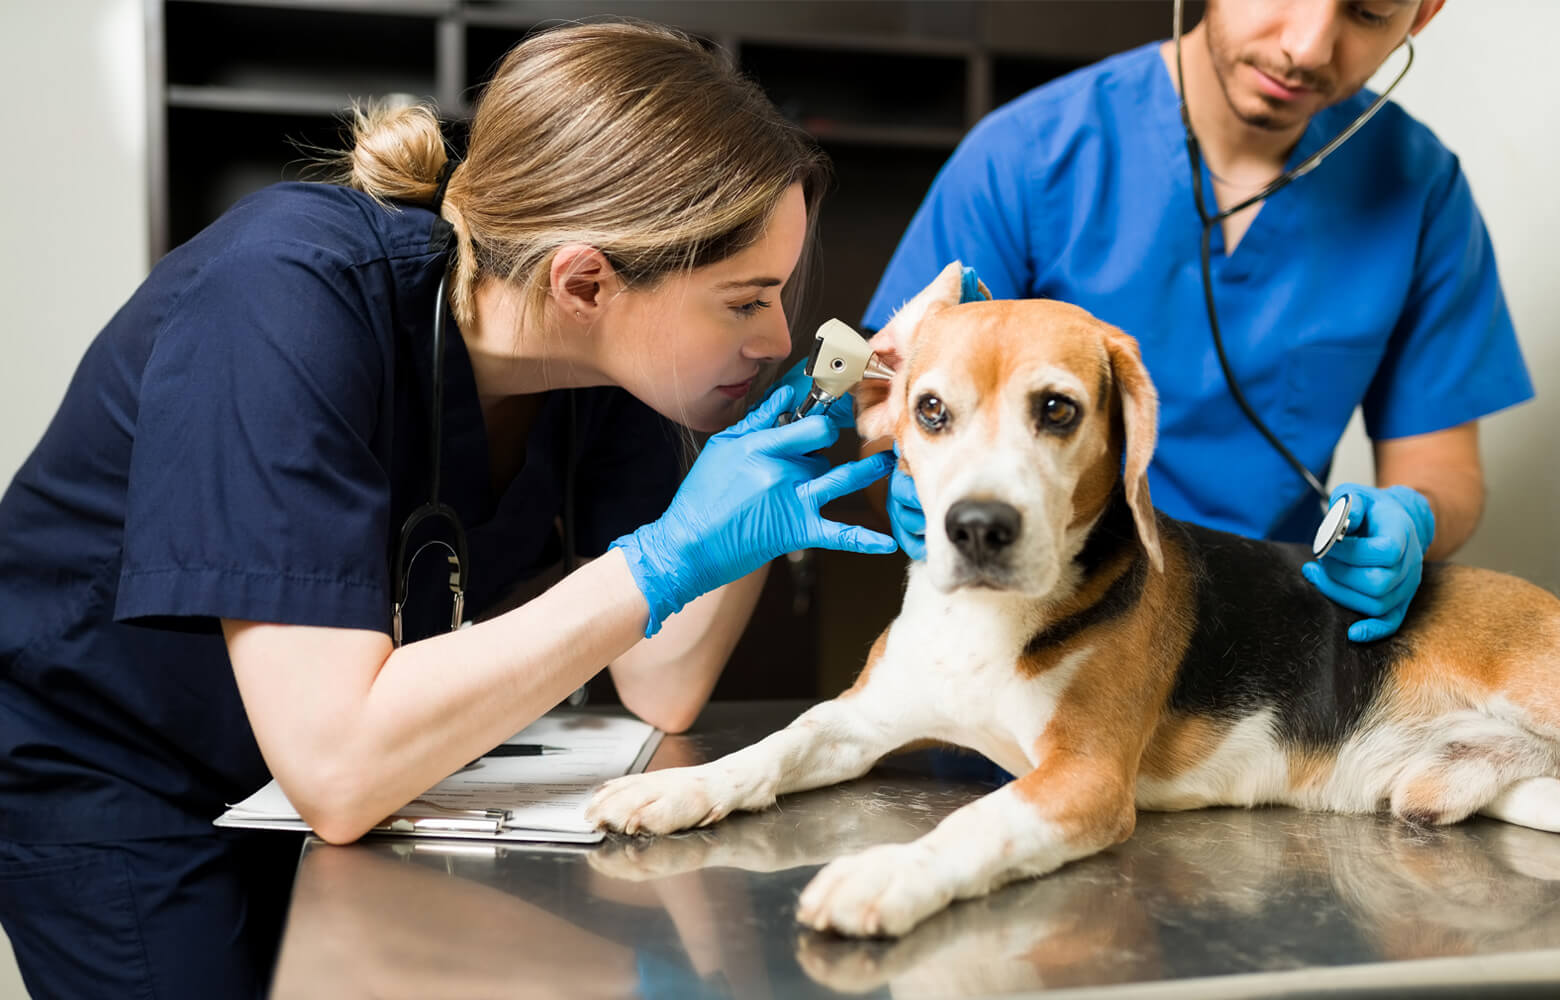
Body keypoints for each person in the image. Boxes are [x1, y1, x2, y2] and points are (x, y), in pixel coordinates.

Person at [0, 21, 895, 999]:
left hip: (333, 767)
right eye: (743, 301)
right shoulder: (280, 301)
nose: (777, 336)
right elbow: (339, 766)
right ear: (585, 279)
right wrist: (664, 556)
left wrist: (755, 479)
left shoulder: (599, 364)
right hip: (118, 768)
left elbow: (661, 681)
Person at [862, 0, 1532, 643]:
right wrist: (914, 483)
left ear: (1423, 14)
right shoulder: (1024, 158)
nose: (1306, 46)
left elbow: (1442, 467)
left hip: (1271, 632)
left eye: (1368, 13)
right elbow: (894, 414)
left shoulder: (1420, 188)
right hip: (1042, 621)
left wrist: (1412, 520)